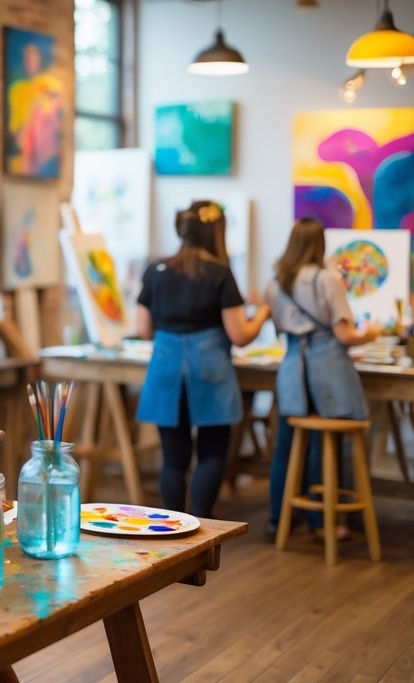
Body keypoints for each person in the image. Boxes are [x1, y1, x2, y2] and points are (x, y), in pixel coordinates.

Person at [135, 200, 269, 519]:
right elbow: (239, 335)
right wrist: (264, 312)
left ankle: (172, 528)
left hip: (166, 367)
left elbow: (143, 330)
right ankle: (202, 528)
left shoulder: (156, 269)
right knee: (211, 454)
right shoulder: (220, 273)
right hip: (209, 366)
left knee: (174, 459)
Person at [264, 217, 379, 538]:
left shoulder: (275, 280)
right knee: (326, 442)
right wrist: (371, 334)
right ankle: (323, 521)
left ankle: (279, 517)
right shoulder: (327, 278)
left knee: (286, 443)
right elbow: (344, 335)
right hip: (327, 367)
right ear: (320, 243)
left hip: (291, 367)